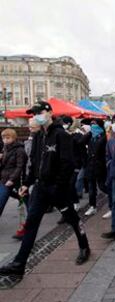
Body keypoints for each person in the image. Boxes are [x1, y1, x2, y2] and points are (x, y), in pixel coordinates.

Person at [0, 102, 90, 278]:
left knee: (72, 218)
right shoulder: (39, 136)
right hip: (41, 188)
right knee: (31, 223)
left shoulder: (61, 135)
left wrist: (58, 186)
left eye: (38, 112)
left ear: (49, 113)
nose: (35, 116)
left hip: (58, 189)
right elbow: (34, 163)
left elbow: (68, 164)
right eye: (33, 114)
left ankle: (84, 245)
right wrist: (27, 183)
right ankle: (19, 264)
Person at [0, 129, 28, 218]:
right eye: (3, 138)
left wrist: (12, 179)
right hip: (4, 178)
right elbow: (4, 165)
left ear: (14, 138)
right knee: (1, 200)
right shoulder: (5, 148)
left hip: (17, 179)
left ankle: (32, 218)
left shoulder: (19, 150)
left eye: (8, 138)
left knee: (27, 199)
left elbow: (20, 166)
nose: (5, 140)